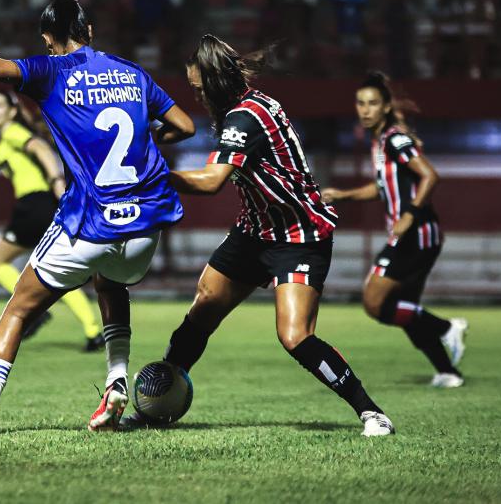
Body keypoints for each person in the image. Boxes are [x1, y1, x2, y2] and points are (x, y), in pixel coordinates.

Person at [0, 0, 195, 435]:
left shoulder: (52, 71)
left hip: (90, 224)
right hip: (144, 231)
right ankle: (116, 380)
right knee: (111, 286)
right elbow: (185, 126)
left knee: (19, 308)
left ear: (48, 39)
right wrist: (147, 140)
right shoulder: (133, 73)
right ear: (91, 30)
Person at [139, 34, 394, 437]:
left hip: (299, 234)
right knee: (204, 304)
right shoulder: (240, 108)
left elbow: (210, 182)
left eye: (199, 88)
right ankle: (158, 401)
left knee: (294, 335)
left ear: (215, 82)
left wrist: (148, 176)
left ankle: (371, 412)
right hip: (255, 229)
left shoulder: (245, 116)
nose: (198, 96)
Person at [322, 72, 467, 388]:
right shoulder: (380, 142)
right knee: (406, 311)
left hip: (416, 235)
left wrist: (410, 214)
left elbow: (430, 175)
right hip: (414, 236)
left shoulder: (393, 139)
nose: (365, 109)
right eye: (361, 103)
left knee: (374, 302)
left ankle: (446, 328)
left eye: (373, 103)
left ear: (386, 107)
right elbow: (381, 188)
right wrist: (344, 195)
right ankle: (447, 372)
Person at [0, 90, 106, 351]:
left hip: (34, 205)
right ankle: (92, 331)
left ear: (12, 111)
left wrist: (57, 183)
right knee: (56, 272)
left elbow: (42, 148)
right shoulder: (2, 144)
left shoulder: (13, 133)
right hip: (40, 206)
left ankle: (36, 311)